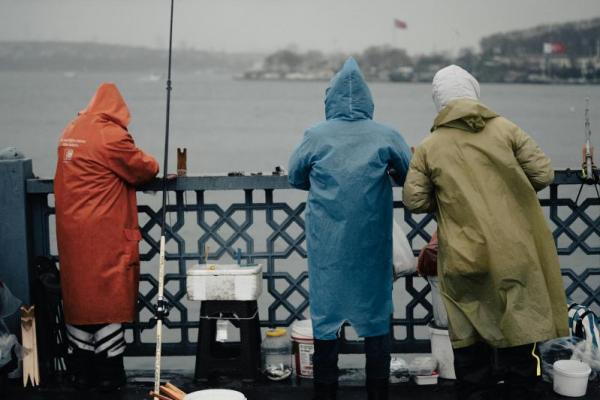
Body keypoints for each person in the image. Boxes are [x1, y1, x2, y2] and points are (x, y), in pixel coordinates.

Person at [403, 65, 569, 400]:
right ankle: (522, 388)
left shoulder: (430, 145)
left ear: (440, 101)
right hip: (516, 248)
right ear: (474, 92)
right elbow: (543, 174)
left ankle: (476, 390)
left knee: (468, 326)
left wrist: (448, 198)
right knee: (521, 321)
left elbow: (414, 200)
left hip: (465, 252)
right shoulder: (506, 129)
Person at [288, 57, 412, 400]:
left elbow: (294, 175)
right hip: (371, 243)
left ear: (330, 100)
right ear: (368, 99)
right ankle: (377, 392)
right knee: (375, 315)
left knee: (326, 319)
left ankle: (326, 392)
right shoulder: (386, 135)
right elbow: (407, 174)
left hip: (328, 246)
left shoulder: (315, 135)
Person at [54, 83, 159, 391]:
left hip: (72, 231)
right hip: (105, 232)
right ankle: (110, 372)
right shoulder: (110, 135)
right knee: (109, 295)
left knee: (81, 296)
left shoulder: (70, 129)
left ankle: (82, 370)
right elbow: (145, 169)